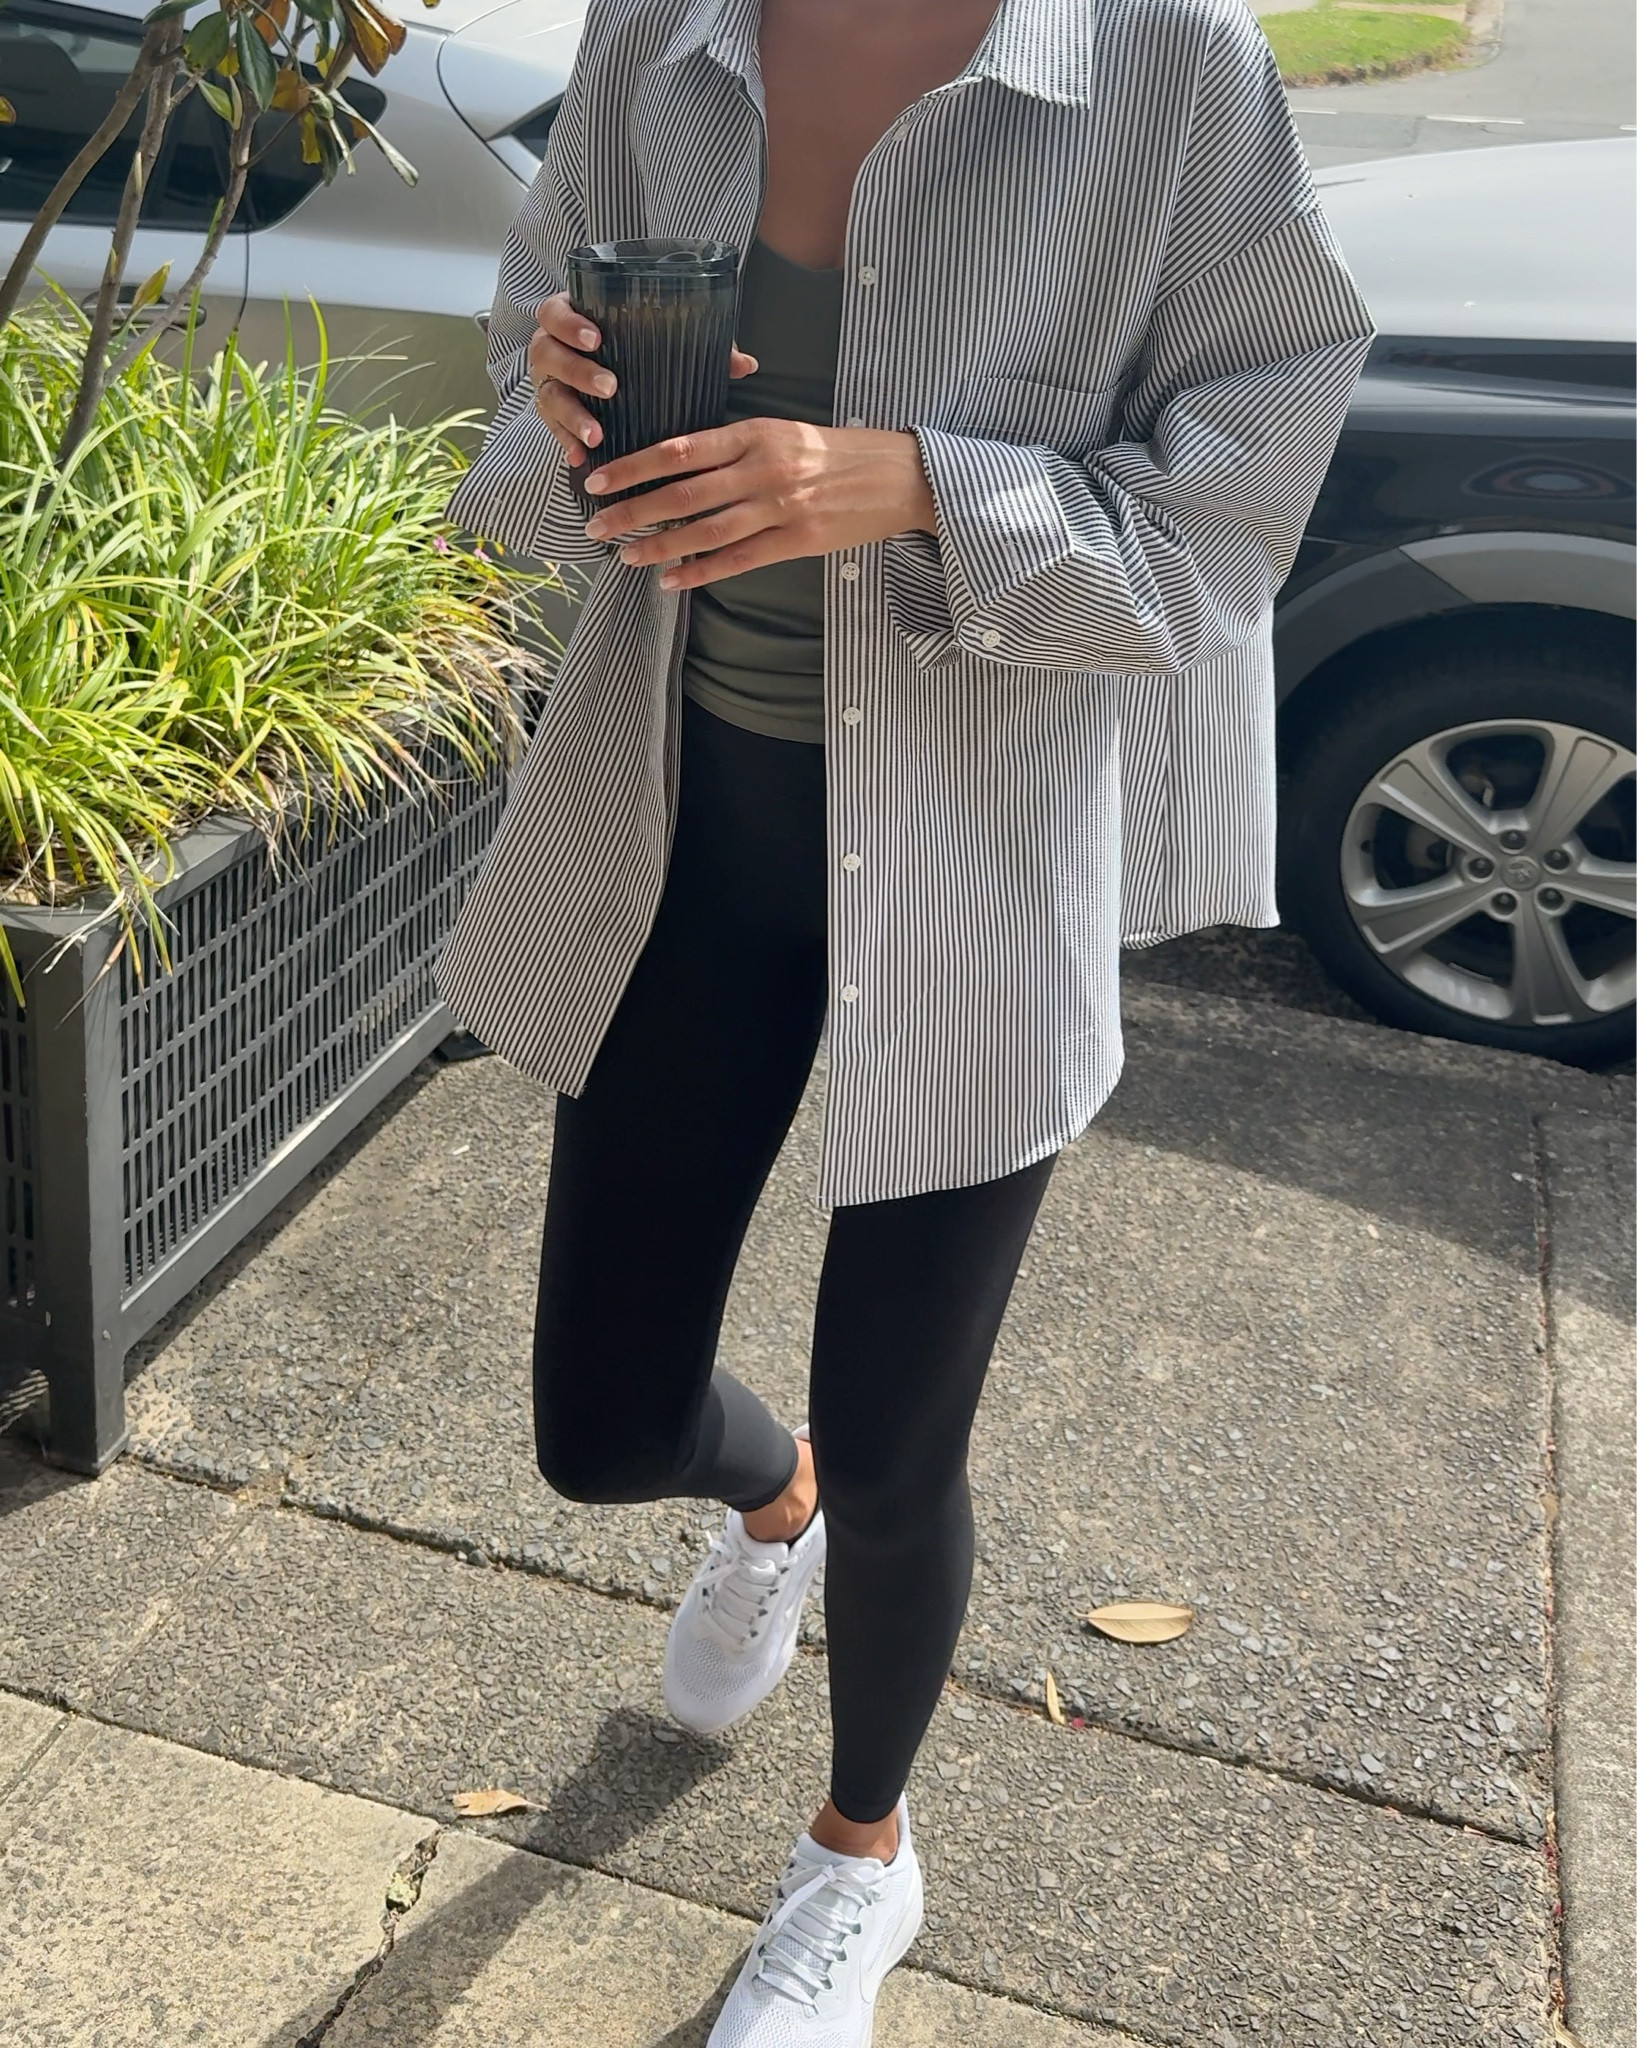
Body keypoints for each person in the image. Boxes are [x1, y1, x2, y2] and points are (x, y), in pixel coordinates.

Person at [440, 0, 1374, 2039]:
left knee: (897, 1439)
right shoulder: (666, 23)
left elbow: (1231, 509)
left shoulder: (1167, 65)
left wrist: (915, 484)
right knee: (598, 1429)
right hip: (683, 816)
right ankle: (754, 1507)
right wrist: (564, 391)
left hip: (972, 859)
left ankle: (862, 1859)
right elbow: (534, 305)